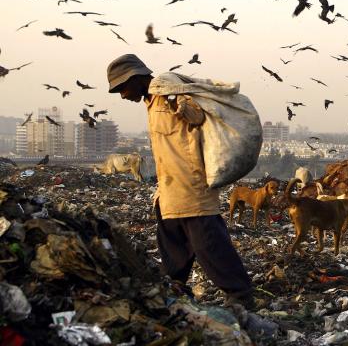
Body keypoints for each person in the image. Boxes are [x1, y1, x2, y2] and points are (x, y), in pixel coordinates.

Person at [106, 54, 253, 308]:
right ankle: (174, 288)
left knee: (208, 243)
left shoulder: (168, 90)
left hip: (191, 185)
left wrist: (180, 103)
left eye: (123, 87)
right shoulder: (152, 102)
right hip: (169, 188)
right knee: (172, 245)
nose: (123, 95)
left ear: (136, 77)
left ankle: (240, 294)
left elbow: (197, 117)